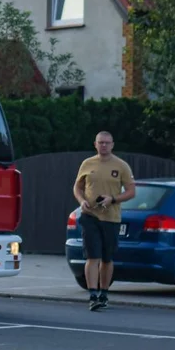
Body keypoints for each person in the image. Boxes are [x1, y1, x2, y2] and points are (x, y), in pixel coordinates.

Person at [73, 131, 136, 310]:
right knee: (92, 256)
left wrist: (113, 199)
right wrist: (82, 200)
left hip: (111, 217)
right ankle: (92, 294)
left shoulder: (121, 165)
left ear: (112, 145)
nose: (104, 146)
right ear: (95, 144)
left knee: (107, 258)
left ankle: (104, 293)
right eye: (101, 143)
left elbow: (131, 192)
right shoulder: (87, 164)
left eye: (107, 143)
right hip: (90, 216)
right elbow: (77, 187)